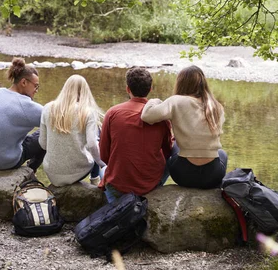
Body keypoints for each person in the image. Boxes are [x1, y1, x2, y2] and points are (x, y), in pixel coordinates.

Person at [141, 65, 227, 189]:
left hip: (183, 175)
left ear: (181, 82)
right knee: (221, 153)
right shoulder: (215, 106)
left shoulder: (176, 101)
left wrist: (155, 101)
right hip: (213, 175)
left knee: (175, 145)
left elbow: (147, 116)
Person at [100, 66, 174, 203]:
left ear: (128, 89)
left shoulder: (112, 113)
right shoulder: (161, 117)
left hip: (118, 186)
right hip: (150, 186)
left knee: (103, 170)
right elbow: (168, 152)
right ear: (151, 88)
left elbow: (104, 155)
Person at [0, 57, 45, 171]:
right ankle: (31, 170)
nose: (36, 90)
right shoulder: (25, 105)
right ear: (24, 82)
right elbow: (55, 119)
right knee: (46, 131)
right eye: (36, 86)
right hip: (7, 162)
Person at [39, 75, 105, 187]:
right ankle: (95, 180)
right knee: (96, 136)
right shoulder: (88, 112)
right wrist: (102, 165)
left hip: (52, 172)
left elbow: (43, 144)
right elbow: (92, 145)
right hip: (78, 171)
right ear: (85, 91)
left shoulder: (47, 108)